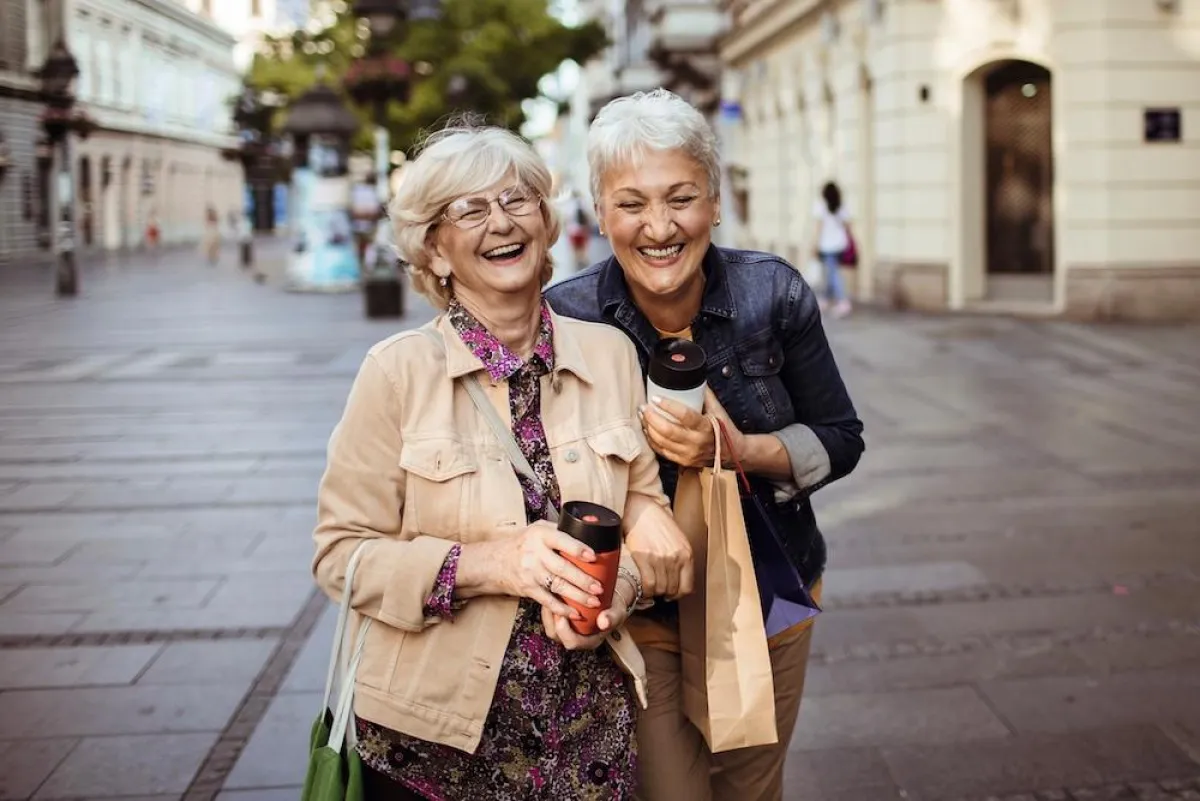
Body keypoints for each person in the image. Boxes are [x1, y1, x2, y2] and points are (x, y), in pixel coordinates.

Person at [312, 121, 691, 801]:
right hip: (433, 751)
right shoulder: (396, 372)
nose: (501, 222)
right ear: (436, 249)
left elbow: (644, 513)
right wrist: (493, 562)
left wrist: (620, 591)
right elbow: (341, 556)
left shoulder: (609, 355)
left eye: (518, 199)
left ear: (546, 223)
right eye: (469, 208)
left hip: (587, 743)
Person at [545, 89, 864, 801]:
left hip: (769, 593)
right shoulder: (569, 316)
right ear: (601, 212)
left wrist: (742, 448)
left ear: (714, 201)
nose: (658, 226)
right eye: (630, 203)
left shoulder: (772, 294)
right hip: (641, 615)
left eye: (681, 197)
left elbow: (841, 439)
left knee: (751, 788)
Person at [813, 180, 854, 318]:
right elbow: (848, 226)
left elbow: (819, 228)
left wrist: (815, 245)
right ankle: (825, 300)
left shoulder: (821, 207)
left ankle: (843, 301)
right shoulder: (842, 207)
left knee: (833, 273)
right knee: (830, 273)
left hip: (827, 245)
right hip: (840, 244)